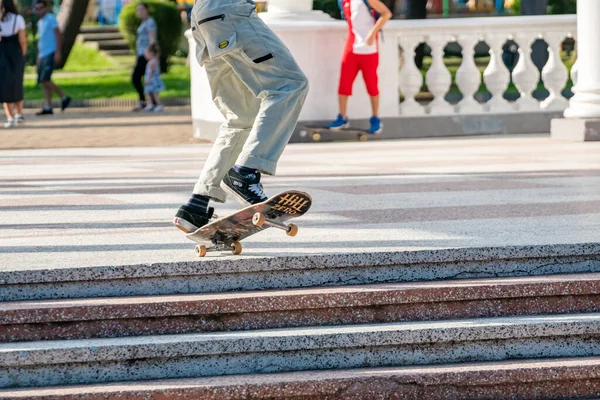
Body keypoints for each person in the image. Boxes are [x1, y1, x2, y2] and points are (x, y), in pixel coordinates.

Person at [172, 0, 308, 233]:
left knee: (241, 118)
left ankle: (197, 204)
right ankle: (244, 174)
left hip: (203, 18)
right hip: (231, 14)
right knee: (290, 84)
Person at [326, 0, 392, 134]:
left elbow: (386, 14)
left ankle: (375, 118)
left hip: (369, 48)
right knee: (344, 83)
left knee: (372, 85)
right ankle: (343, 117)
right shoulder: (344, 2)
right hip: (351, 46)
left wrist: (372, 34)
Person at [34, 0, 71, 115]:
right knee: (44, 81)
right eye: (37, 8)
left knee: (45, 79)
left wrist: (58, 52)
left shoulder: (50, 19)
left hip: (50, 52)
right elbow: (42, 40)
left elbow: (58, 35)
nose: (39, 11)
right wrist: (38, 56)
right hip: (42, 54)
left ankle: (64, 96)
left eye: (41, 8)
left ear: (46, 8)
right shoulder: (40, 22)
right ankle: (48, 106)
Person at [0, 0, 27, 128]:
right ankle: (19, 113)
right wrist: (22, 55)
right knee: (17, 82)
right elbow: (22, 39)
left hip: (2, 54)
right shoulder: (18, 19)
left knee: (4, 84)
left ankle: (9, 116)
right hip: (15, 53)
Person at [132, 2, 157, 111]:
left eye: (142, 9)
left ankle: (146, 101)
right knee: (145, 78)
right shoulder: (144, 22)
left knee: (137, 77)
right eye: (138, 10)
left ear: (147, 10)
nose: (139, 12)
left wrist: (151, 54)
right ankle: (150, 102)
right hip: (141, 54)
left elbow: (152, 39)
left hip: (146, 55)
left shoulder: (150, 22)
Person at [143, 43, 165, 112]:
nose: (145, 55)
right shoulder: (155, 61)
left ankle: (158, 105)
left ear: (151, 53)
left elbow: (150, 72)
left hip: (152, 81)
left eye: (147, 53)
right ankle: (150, 104)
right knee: (150, 93)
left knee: (153, 94)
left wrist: (147, 80)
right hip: (153, 80)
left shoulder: (151, 62)